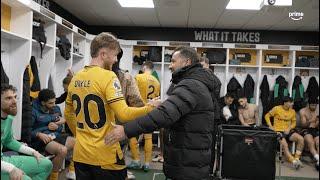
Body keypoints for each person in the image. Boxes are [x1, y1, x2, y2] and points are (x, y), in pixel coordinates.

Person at [105, 46, 215, 180]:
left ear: (187, 62)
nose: (170, 66)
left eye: (173, 61)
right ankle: (145, 162)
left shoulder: (191, 85)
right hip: (189, 158)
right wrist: (166, 104)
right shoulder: (193, 83)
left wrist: (126, 130)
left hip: (187, 163)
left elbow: (165, 115)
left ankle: (137, 160)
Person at [64, 32, 153, 180]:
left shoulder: (76, 78)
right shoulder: (108, 76)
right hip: (105, 154)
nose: (115, 60)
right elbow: (123, 114)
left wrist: (82, 135)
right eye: (115, 55)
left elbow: (68, 114)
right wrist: (150, 108)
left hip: (81, 155)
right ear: (103, 54)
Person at [1, 84, 53, 180]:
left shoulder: (8, 118)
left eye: (15, 97)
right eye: (8, 98)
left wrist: (33, 152)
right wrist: (12, 169)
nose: (14, 101)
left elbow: (8, 141)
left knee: (46, 165)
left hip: (3, 160)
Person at [112, 48, 145, 179]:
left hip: (94, 134)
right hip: (118, 129)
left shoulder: (87, 76)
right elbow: (137, 103)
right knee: (116, 164)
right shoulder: (126, 77)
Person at [31, 89, 76, 180]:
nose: (54, 105)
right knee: (62, 150)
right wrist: (38, 134)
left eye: (54, 102)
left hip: (55, 135)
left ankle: (71, 171)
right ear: (43, 103)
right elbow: (27, 132)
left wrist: (57, 127)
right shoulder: (33, 111)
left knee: (79, 143)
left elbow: (60, 128)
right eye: (51, 103)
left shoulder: (56, 109)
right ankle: (53, 178)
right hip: (42, 139)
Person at [127, 61, 160, 172]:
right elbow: (156, 99)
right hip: (150, 111)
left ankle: (136, 160)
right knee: (148, 137)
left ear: (144, 67)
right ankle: (147, 164)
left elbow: (132, 93)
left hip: (138, 110)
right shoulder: (157, 81)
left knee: (132, 134)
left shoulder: (138, 77)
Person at [265, 97, 305, 169]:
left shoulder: (292, 111)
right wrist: (270, 125)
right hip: (278, 131)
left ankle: (297, 158)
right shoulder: (277, 108)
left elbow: (294, 123)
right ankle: (294, 162)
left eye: (292, 102)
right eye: (290, 102)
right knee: (285, 145)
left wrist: (289, 128)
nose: (292, 104)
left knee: (301, 139)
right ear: (285, 103)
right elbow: (267, 116)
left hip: (288, 131)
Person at [199, 56, 221, 175]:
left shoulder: (207, 78)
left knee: (205, 145)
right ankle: (208, 172)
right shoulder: (215, 78)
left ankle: (205, 172)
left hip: (208, 115)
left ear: (207, 65)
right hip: (212, 115)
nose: (200, 69)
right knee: (210, 145)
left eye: (201, 66)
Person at [299, 99, 319, 170]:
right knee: (311, 142)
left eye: (315, 106)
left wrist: (317, 123)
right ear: (308, 104)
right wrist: (311, 120)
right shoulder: (303, 111)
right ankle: (318, 158)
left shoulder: (317, 111)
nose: (314, 107)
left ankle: (318, 162)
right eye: (312, 105)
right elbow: (303, 124)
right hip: (306, 129)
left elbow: (317, 126)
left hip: (315, 130)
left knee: (318, 142)